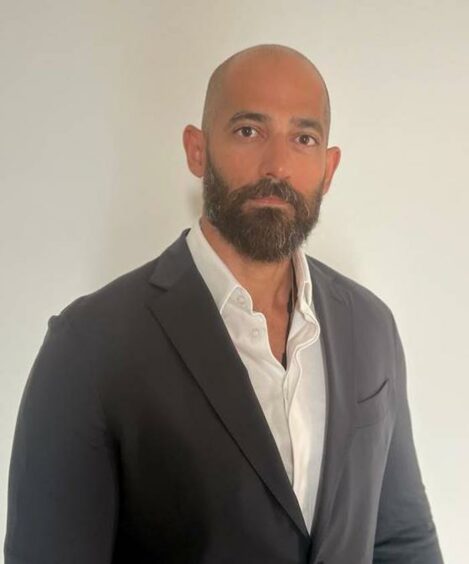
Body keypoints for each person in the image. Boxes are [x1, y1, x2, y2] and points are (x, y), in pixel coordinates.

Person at [4, 44, 443, 564]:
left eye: (303, 138)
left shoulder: (371, 325)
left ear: (328, 167)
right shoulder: (90, 345)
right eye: (248, 131)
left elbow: (401, 541)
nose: (276, 165)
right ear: (197, 150)